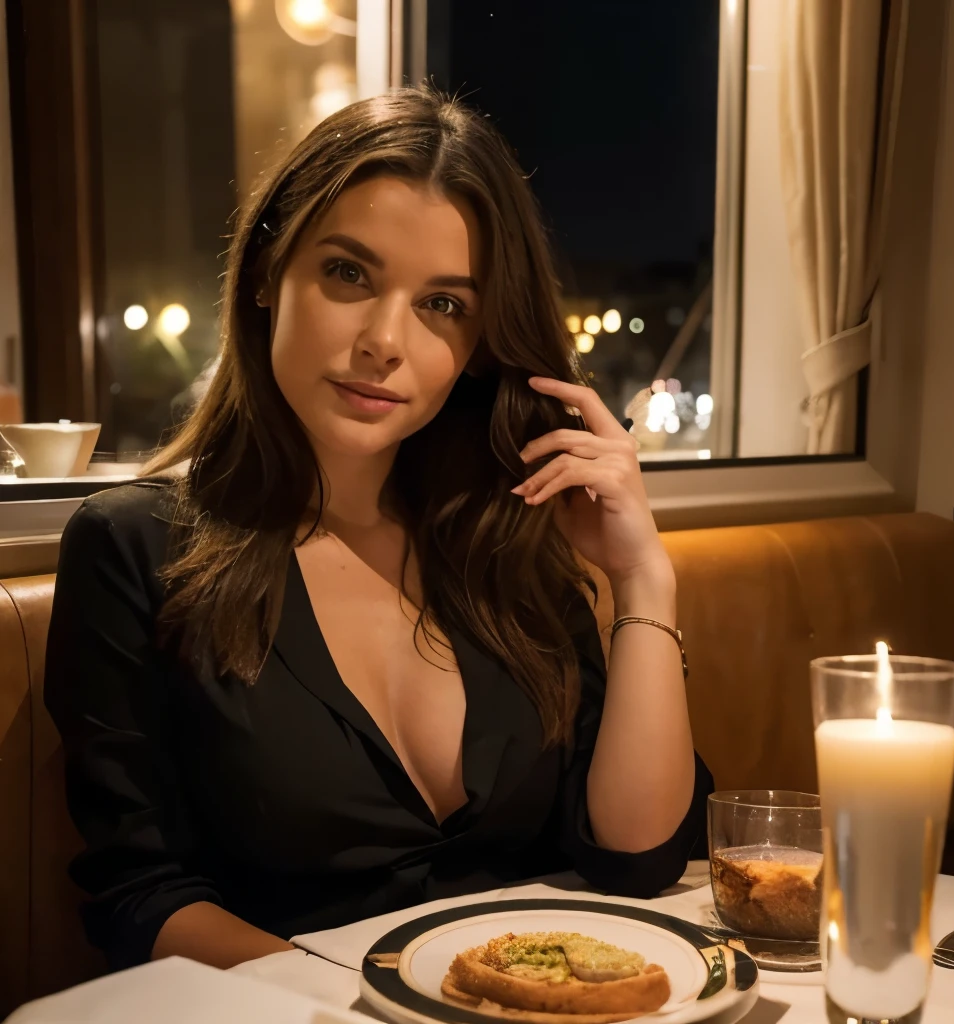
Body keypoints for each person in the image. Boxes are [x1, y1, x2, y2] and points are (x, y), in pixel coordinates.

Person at [44, 88, 713, 973]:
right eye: (348, 274)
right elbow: (142, 897)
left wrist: (642, 578)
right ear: (264, 275)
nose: (385, 342)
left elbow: (638, 856)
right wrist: (376, 1006)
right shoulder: (137, 547)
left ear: (478, 343)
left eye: (443, 305)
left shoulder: (503, 542)